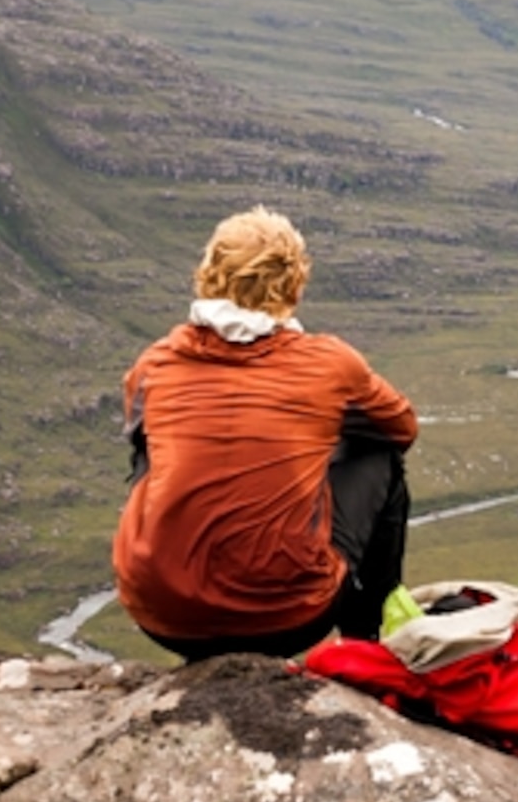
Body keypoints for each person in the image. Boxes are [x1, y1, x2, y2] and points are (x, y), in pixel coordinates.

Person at [111, 207, 416, 660]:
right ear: (295, 284)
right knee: (379, 454)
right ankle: (364, 642)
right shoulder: (329, 364)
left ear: (209, 274)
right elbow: (400, 428)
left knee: (152, 444)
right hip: (287, 620)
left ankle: (172, 568)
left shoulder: (156, 364)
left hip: (163, 617)